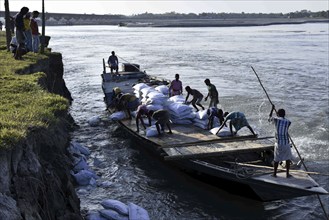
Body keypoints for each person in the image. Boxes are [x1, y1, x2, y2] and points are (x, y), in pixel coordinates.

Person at [269, 104, 292, 178]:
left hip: (279, 143)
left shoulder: (276, 119)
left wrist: (272, 109)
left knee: (276, 159)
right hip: (286, 143)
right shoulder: (288, 121)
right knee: (287, 158)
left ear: (278, 114)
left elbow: (269, 118)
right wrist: (278, 115)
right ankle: (287, 174)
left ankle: (274, 174)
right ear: (284, 114)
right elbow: (284, 125)